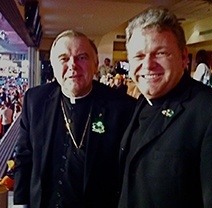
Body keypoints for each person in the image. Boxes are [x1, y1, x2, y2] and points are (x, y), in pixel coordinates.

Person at [119, 7, 212, 208]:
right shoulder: (140, 102)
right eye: (138, 56)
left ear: (184, 57)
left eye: (160, 53)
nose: (148, 65)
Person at [13, 30, 136, 208]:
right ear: (53, 66)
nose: (73, 65)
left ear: (95, 64)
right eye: (64, 58)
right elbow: (25, 156)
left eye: (82, 57)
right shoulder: (35, 100)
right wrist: (20, 203)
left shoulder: (122, 107)